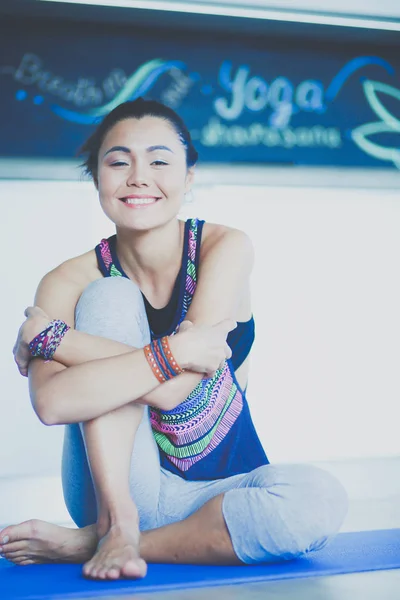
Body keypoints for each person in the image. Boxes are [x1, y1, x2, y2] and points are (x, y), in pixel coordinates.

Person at [0, 98, 348, 580]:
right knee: (109, 295)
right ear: (96, 178)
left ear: (188, 178)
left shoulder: (223, 247)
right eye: (118, 162)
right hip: (115, 489)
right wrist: (179, 350)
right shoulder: (68, 280)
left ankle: (92, 544)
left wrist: (57, 341)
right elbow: (52, 403)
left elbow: (174, 390)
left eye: (160, 161)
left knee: (318, 499)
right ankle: (116, 523)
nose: (139, 176)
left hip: (217, 491)